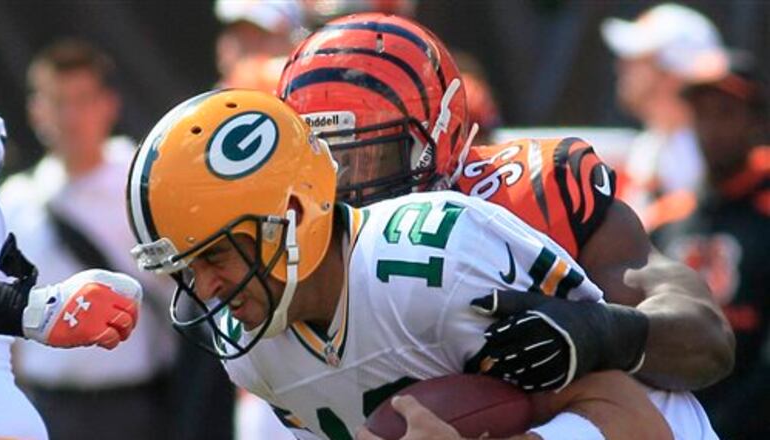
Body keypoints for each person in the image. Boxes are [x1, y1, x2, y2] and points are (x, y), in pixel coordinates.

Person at [126, 88, 712, 439]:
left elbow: (635, 417)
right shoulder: (252, 352)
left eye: (216, 254)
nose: (205, 288)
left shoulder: (435, 256)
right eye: (183, 268)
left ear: (297, 211)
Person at [278, 11, 733, 394]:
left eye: (365, 157)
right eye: (320, 162)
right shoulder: (269, 239)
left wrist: (597, 333)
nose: (340, 188)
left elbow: (706, 336)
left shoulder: (531, 193)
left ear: (440, 136)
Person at [0, 39, 175, 440]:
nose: (71, 117)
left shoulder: (147, 184)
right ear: (36, 110)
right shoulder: (15, 202)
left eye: (83, 99)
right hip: (46, 407)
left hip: (140, 407)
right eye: (58, 101)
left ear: (109, 104)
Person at [0, 101, 143, 439]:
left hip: (137, 399)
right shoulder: (21, 195)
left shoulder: (133, 173)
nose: (72, 118)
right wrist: (33, 309)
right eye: (60, 102)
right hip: (38, 397)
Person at [649, 50, 770, 438]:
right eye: (703, 114)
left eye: (726, 112)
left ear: (756, 121)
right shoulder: (667, 220)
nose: (712, 128)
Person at [600, 3, 723, 219]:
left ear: (671, 75)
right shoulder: (650, 147)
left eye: (638, 59)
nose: (622, 66)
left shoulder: (711, 158)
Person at [214, 0, 303, 93]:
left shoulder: (294, 80)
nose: (235, 44)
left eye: (258, 35)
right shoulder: (225, 87)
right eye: (234, 32)